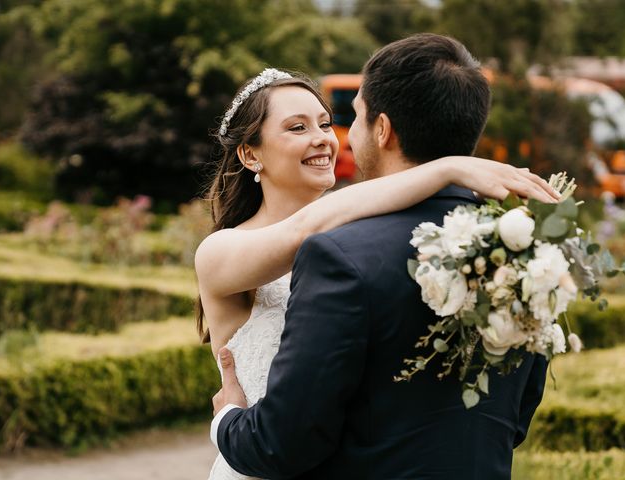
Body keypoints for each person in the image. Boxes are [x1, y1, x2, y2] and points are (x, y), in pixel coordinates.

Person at [199, 36, 554, 480]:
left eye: (326, 123)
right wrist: (447, 168)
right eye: (297, 128)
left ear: (381, 129)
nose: (324, 139)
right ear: (250, 153)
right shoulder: (224, 251)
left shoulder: (352, 243)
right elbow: (301, 232)